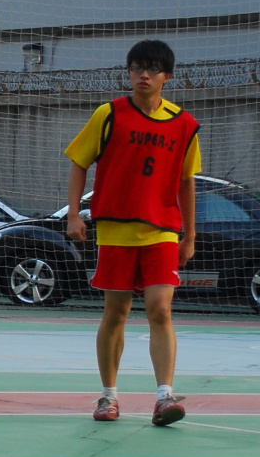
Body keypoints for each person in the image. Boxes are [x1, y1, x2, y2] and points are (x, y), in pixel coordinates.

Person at [65, 40, 200, 427]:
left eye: (153, 68)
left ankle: (164, 397)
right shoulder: (109, 114)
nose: (144, 75)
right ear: (128, 72)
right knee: (116, 312)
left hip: (162, 230)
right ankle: (108, 396)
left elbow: (187, 181)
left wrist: (190, 235)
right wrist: (74, 214)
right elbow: (79, 163)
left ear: (167, 76)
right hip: (116, 230)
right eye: (137, 67)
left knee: (160, 308)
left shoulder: (184, 124)